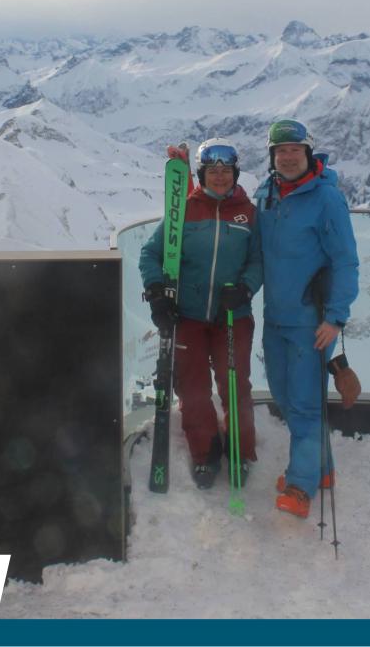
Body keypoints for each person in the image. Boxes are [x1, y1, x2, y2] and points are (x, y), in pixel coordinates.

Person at [139, 138, 263, 489]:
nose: (220, 176)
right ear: (202, 174)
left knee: (235, 385)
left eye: (226, 170)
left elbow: (258, 260)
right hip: (189, 315)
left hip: (232, 315)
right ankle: (205, 453)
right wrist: (157, 292)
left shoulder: (249, 214)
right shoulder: (184, 211)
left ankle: (240, 451)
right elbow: (150, 254)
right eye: (212, 171)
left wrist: (246, 288)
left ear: (236, 173)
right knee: (192, 387)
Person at [254, 118, 359, 518]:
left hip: (312, 321)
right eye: (280, 150)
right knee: (284, 396)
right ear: (272, 156)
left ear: (308, 153)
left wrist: (336, 318)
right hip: (275, 318)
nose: (288, 157)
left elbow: (345, 261)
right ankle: (322, 467)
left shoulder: (326, 199)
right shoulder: (266, 194)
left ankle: (301, 486)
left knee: (304, 405)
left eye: (295, 150)